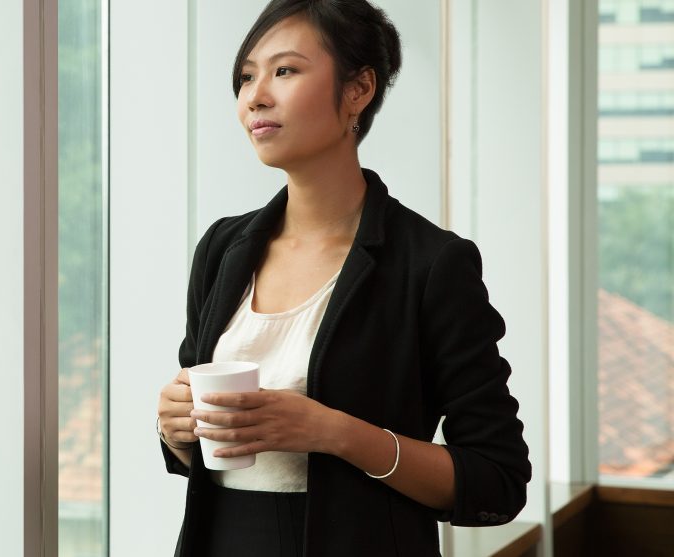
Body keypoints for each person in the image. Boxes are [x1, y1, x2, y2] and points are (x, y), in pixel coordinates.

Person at [155, 1, 532, 555]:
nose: (255, 96)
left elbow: (497, 478)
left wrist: (333, 432)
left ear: (358, 89)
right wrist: (175, 427)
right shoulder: (221, 249)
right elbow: (199, 452)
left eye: (284, 70)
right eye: (245, 76)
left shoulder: (431, 264)